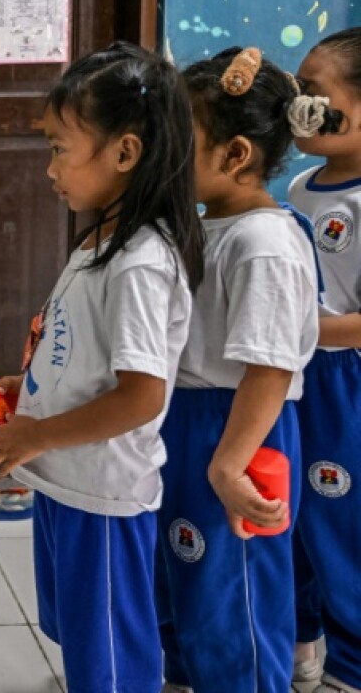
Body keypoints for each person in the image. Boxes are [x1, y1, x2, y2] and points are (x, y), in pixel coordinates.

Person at [0, 42, 204, 692]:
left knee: (109, 651)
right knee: (82, 632)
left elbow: (139, 397)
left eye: (58, 148)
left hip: (101, 491)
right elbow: (86, 352)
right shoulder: (101, 241)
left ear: (125, 153)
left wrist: (37, 433)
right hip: (66, 478)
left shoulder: (139, 263)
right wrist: (31, 391)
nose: (50, 167)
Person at [156, 47, 326, 693]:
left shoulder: (266, 243)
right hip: (188, 418)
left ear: (235, 156)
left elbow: (271, 369)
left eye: (181, 142)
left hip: (241, 430)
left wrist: (229, 464)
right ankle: (185, 675)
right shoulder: (208, 225)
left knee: (236, 588)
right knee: (185, 570)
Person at [287, 27, 361, 693]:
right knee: (294, 514)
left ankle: (355, 662)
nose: (301, 106)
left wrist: (306, 330)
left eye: (314, 93)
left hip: (346, 383)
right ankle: (306, 646)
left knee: (344, 523)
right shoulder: (303, 186)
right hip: (293, 378)